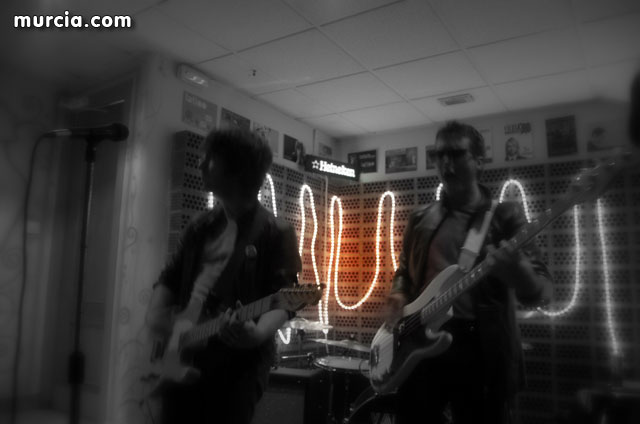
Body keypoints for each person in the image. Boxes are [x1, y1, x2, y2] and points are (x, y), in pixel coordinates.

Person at [386, 121, 552, 424]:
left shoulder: (505, 216)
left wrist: (519, 273)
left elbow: (543, 290)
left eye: (455, 154)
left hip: (481, 348)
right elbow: (405, 269)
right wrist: (398, 292)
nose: (445, 163)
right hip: (421, 341)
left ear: (479, 161)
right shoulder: (420, 218)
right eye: (439, 155)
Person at [145, 129, 302, 424]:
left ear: (236, 169)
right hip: (179, 356)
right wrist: (155, 316)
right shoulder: (199, 226)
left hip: (235, 372)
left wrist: (256, 334)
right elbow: (170, 277)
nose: (200, 164)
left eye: (210, 159)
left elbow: (287, 299)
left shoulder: (276, 232)